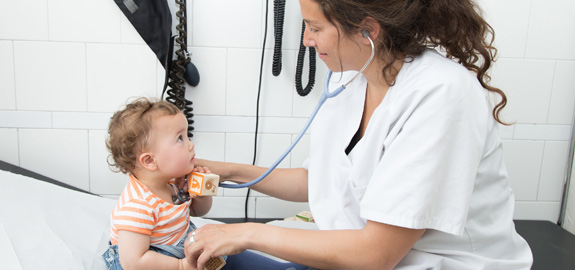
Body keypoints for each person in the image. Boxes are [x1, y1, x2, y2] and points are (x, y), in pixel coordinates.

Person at [184, 0, 533, 269]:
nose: (306, 40)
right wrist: (227, 171)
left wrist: (245, 232)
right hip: (355, 248)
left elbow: (376, 255)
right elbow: (320, 180)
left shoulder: (442, 94)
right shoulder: (349, 76)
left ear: (367, 30)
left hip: (436, 261)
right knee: (185, 245)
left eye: (314, 27)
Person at [102, 97, 213, 270]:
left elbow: (198, 211)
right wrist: (180, 266)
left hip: (177, 252)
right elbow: (133, 262)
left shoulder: (170, 183)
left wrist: (201, 195)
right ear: (149, 160)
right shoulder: (138, 206)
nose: (191, 144)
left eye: (187, 136)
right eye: (180, 138)